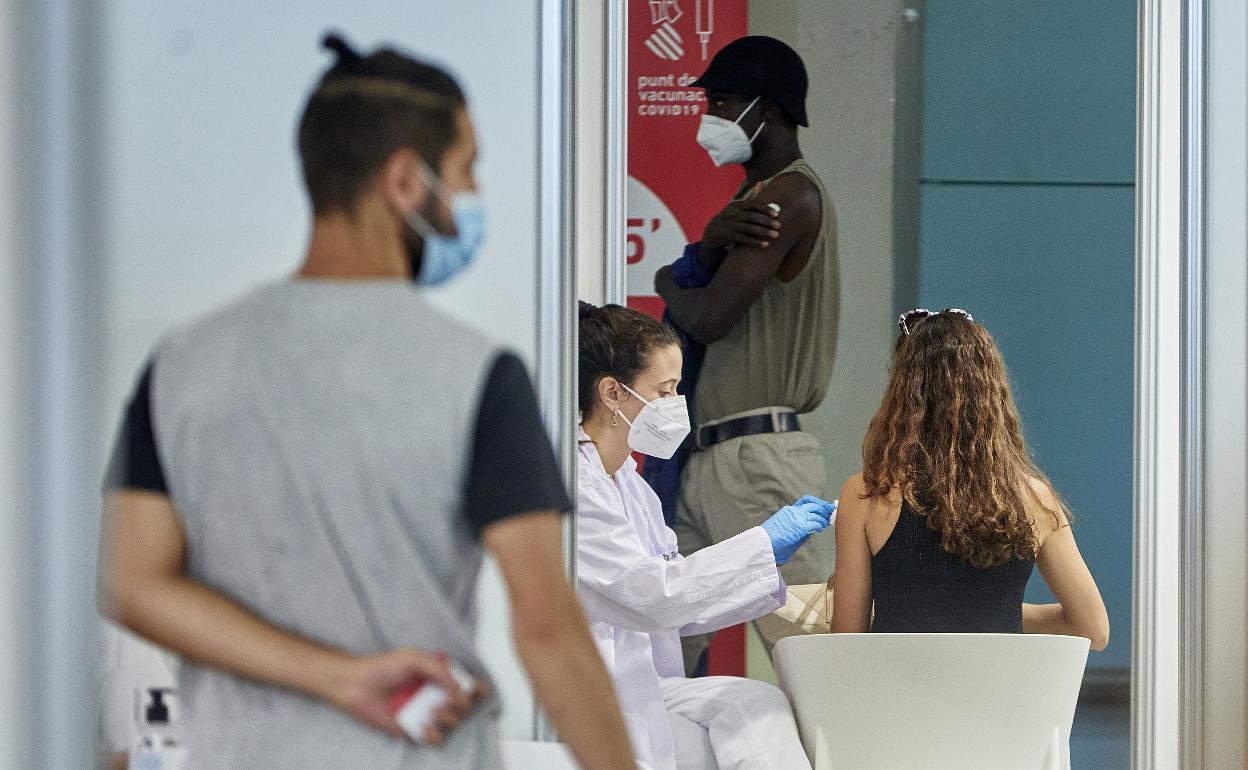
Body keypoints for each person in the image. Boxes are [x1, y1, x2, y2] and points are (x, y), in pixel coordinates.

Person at [97, 34, 635, 769]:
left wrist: (336, 676)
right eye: (465, 170)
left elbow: (131, 583)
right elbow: (545, 625)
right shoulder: (475, 375)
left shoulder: (183, 366)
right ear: (406, 182)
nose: (472, 197)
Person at [576, 301, 835, 770]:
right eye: (665, 389)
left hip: (645, 682)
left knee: (756, 703)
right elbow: (654, 598)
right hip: (598, 689)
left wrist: (766, 558)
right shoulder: (577, 484)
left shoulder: (633, 487)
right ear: (613, 392)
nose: (677, 405)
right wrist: (760, 543)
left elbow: (678, 606)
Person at [652, 35, 840, 672]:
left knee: (817, 667)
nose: (712, 119)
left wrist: (666, 279)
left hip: (757, 462)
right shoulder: (752, 200)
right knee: (656, 658)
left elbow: (706, 316)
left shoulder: (788, 196)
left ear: (773, 110)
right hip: (712, 457)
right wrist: (702, 253)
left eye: (726, 102)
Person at [830, 308, 1110, 651]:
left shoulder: (866, 495)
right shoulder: (1032, 499)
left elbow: (845, 642)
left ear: (903, 395)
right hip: (1001, 702)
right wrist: (993, 613)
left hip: (899, 700)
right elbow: (1093, 630)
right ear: (991, 394)